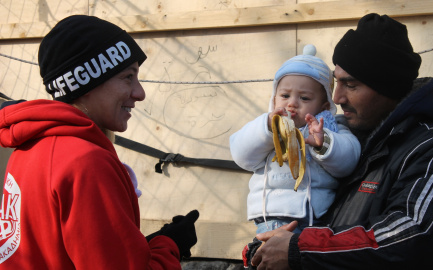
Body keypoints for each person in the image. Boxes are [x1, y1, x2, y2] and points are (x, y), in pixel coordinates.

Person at [250, 13, 433, 270]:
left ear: (387, 88)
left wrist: (300, 248)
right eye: (337, 82)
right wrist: (269, 244)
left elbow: (413, 239)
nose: (337, 97)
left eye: (350, 85)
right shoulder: (343, 141)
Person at [0, 15, 198, 269]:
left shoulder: (28, 149)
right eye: (128, 77)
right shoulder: (86, 162)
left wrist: (135, 244)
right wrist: (169, 246)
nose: (140, 93)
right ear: (86, 82)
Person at [230, 44, 360, 236]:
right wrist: (267, 127)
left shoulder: (329, 129)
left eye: (305, 98)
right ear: (274, 99)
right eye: (284, 95)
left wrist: (323, 143)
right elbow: (242, 155)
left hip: (316, 218)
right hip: (271, 217)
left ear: (324, 105)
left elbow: (349, 160)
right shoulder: (264, 128)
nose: (292, 103)